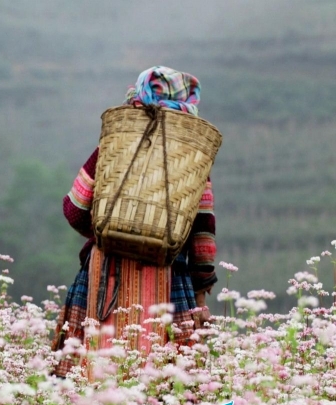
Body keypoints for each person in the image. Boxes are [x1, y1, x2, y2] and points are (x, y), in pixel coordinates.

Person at [51, 66, 217, 378]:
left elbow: (75, 208)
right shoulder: (194, 160)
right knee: (166, 385)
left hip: (104, 274)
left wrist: (111, 234)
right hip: (170, 276)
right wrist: (200, 297)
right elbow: (202, 237)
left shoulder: (114, 146)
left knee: (88, 376)